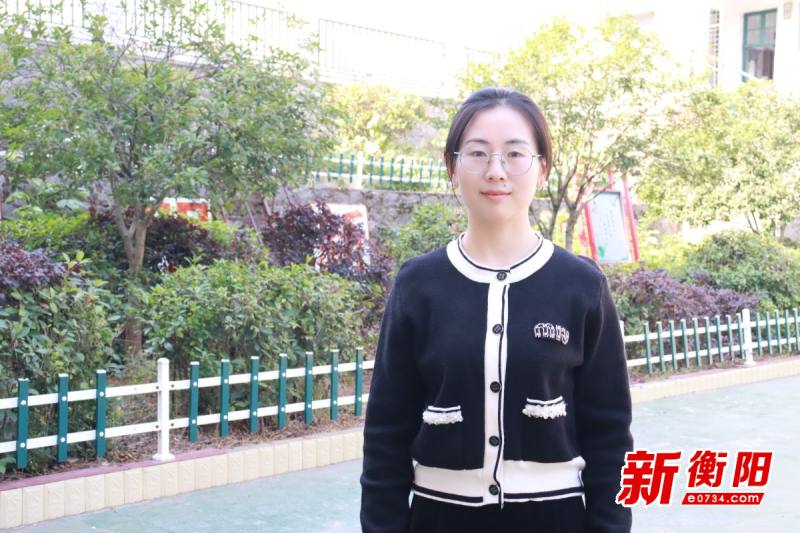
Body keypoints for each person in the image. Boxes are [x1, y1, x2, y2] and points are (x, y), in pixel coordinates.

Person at [360, 87, 633, 533]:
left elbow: (610, 435)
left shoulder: (581, 286)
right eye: (478, 153)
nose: (496, 170)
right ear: (453, 168)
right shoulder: (418, 285)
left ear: (542, 168)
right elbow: (386, 434)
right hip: (439, 519)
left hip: (556, 520)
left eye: (515, 154)